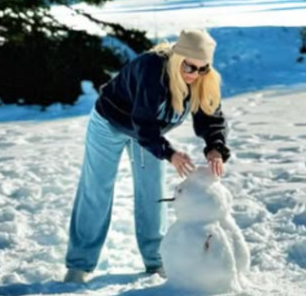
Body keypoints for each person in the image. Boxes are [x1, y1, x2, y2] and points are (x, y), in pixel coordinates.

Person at [63, 29, 231, 283]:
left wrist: (215, 147)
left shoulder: (201, 81)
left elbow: (210, 116)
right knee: (97, 189)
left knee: (151, 191)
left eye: (202, 68)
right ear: (177, 58)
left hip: (148, 133)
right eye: (189, 66)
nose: (194, 74)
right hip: (109, 125)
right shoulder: (153, 70)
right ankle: (79, 264)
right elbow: (144, 123)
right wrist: (170, 153)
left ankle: (155, 260)